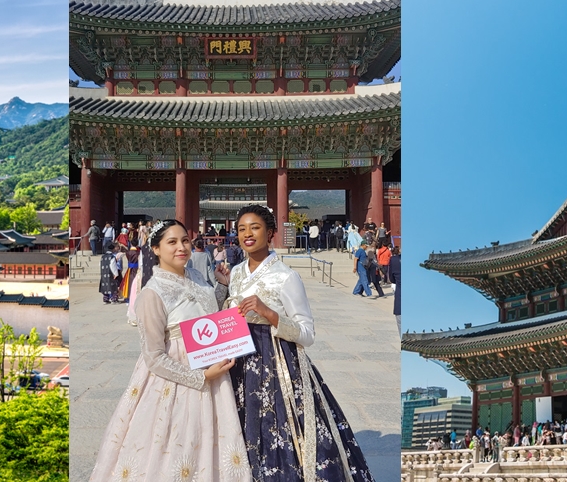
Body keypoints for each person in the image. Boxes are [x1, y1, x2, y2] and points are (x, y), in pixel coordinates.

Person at [90, 220, 251, 482]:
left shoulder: (198, 278)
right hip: (178, 382)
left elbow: (208, 319)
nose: (181, 247)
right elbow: (153, 357)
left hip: (212, 370)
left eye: (185, 241)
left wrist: (222, 286)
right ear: (155, 248)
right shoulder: (151, 293)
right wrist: (201, 377)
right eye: (172, 242)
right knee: (178, 449)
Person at [224, 204, 372, 481]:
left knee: (279, 426)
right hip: (240, 360)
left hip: (276, 361)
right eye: (242, 229)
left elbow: (307, 333)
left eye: (255, 227)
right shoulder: (235, 272)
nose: (247, 234)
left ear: (270, 233)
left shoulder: (286, 276)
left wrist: (268, 313)